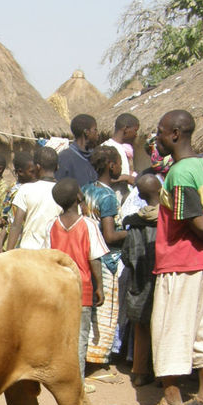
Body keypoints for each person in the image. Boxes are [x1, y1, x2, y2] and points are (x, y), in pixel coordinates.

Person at [134, 110, 203, 405]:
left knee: (169, 330)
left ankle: (173, 402)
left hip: (178, 263)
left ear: (175, 134)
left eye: (160, 132)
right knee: (202, 331)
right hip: (201, 265)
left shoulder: (178, 174)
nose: (157, 138)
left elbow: (200, 225)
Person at [43, 178, 107, 393]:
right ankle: (77, 381)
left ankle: (58, 379)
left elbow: (47, 257)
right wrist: (100, 286)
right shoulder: (88, 224)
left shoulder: (51, 225)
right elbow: (94, 259)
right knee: (80, 337)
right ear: (80, 197)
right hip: (82, 289)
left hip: (57, 289)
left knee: (59, 336)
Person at [82, 145, 127, 368]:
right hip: (108, 259)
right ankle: (97, 359)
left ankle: (86, 355)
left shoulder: (86, 190)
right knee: (106, 312)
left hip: (87, 256)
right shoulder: (108, 196)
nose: (120, 167)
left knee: (89, 311)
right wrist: (131, 231)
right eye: (119, 162)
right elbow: (109, 235)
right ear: (111, 165)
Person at [120, 174, 161, 387]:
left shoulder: (135, 222)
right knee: (163, 326)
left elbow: (127, 256)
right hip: (163, 279)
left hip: (139, 281)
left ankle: (139, 372)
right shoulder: (169, 219)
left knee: (141, 327)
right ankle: (164, 374)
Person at [6, 147, 60, 251]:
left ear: (37, 167)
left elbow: (16, 225)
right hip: (54, 253)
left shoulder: (25, 189)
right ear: (57, 167)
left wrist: (8, 253)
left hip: (29, 253)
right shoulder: (64, 191)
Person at [56, 114, 100, 186]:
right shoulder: (64, 158)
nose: (97, 133)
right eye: (95, 129)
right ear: (86, 132)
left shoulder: (94, 157)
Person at [102, 113, 140, 184]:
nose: (136, 134)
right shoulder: (107, 148)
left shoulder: (121, 147)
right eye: (135, 130)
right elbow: (102, 178)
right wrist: (126, 177)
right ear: (126, 129)